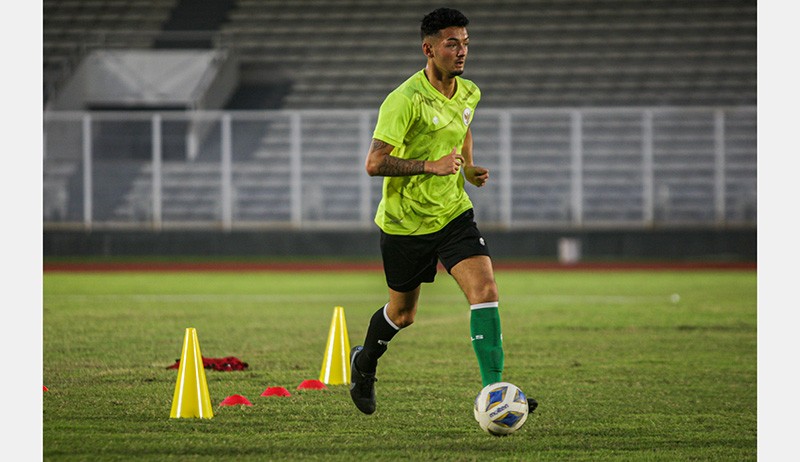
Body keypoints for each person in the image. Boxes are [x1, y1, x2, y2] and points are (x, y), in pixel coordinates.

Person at [349, 7, 537, 416]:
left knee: (485, 290)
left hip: (453, 214)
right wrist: (427, 166)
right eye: (452, 43)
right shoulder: (404, 100)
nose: (462, 51)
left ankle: (495, 391)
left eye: (466, 43)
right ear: (429, 49)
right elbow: (374, 163)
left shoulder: (469, 92)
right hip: (405, 223)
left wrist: (467, 167)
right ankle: (364, 365)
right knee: (403, 314)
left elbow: (463, 126)